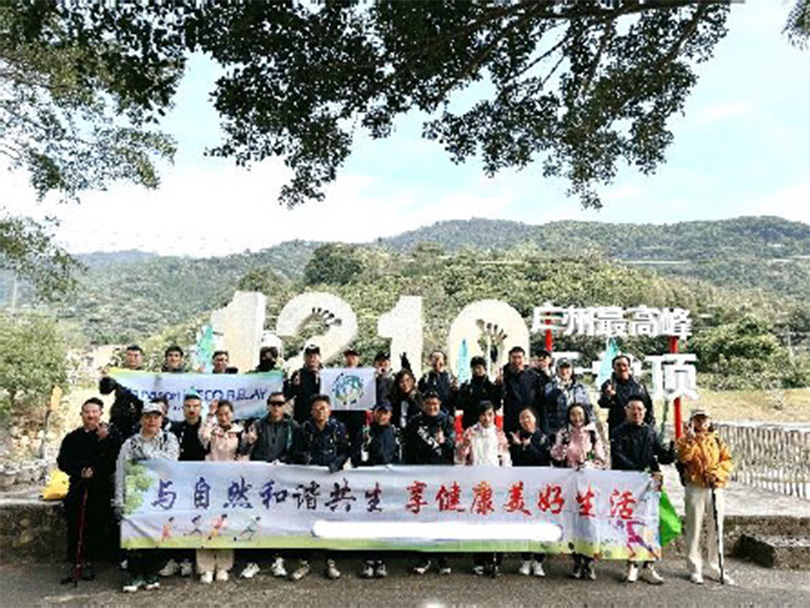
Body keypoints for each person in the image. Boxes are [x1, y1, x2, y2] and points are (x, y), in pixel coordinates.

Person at [115, 401, 180, 592]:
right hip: (135, 495)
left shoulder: (169, 439)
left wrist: (145, 457)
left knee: (156, 535)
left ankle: (152, 573)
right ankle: (135, 575)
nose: (152, 421)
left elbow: (171, 462)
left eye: (156, 417)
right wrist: (119, 499)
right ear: (141, 419)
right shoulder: (130, 443)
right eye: (148, 417)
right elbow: (121, 470)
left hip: (160, 494)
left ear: (162, 420)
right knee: (134, 536)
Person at [610, 397, 674, 584]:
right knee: (630, 525)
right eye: (633, 409)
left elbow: (662, 456)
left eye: (640, 409)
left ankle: (649, 565)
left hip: (649, 485)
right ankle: (631, 564)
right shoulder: (617, 432)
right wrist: (639, 472)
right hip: (628, 485)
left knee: (650, 524)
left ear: (645, 412)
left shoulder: (650, 432)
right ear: (626, 410)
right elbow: (618, 456)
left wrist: (672, 448)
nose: (636, 412)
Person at [289, 395, 350, 581]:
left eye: (323, 408)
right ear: (311, 411)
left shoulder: (338, 428)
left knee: (330, 520)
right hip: (310, 482)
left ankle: (331, 561)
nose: (320, 412)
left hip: (331, 481)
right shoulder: (303, 429)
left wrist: (337, 463)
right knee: (307, 520)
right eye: (316, 409)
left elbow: (346, 451)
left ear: (329, 410)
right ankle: (304, 562)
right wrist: (302, 457)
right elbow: (293, 452)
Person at [238, 392, 298, 580]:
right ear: (267, 405)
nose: (276, 407)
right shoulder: (257, 425)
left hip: (282, 478)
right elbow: (243, 451)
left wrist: (284, 460)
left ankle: (278, 559)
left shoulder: (292, 426)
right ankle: (253, 561)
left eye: (280, 403)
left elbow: (297, 451)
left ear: (285, 405)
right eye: (273, 403)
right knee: (256, 518)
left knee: (279, 519)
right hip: (260, 479)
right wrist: (249, 442)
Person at [56, 397, 115, 583]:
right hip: (78, 487)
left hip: (100, 488)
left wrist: (106, 441)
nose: (91, 416)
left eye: (94, 412)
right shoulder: (72, 437)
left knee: (96, 525)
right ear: (81, 414)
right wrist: (80, 471)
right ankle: (75, 561)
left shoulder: (110, 435)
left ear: (101, 414)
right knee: (75, 525)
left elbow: (113, 460)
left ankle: (90, 561)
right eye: (87, 412)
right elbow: (63, 461)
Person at [676, 407, 735, 586]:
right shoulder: (684, 440)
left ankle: (717, 566)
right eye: (698, 419)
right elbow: (683, 458)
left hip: (715, 487)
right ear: (692, 421)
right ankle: (695, 567)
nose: (702, 422)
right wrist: (691, 440)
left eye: (704, 419)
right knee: (694, 527)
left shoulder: (717, 440)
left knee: (716, 527)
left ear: (710, 421)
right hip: (695, 487)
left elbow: (727, 460)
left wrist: (717, 473)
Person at [550, 403, 606, 581]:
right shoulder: (563, 433)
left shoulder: (593, 433)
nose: (577, 418)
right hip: (570, 484)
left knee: (589, 522)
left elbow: (601, 459)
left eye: (580, 414)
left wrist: (588, 466)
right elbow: (556, 456)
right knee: (573, 522)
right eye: (573, 414)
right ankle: (576, 561)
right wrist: (563, 446)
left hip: (589, 484)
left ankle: (588, 561)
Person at [403, 390, 455, 575]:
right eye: (428, 404)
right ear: (423, 404)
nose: (432, 407)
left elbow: (454, 446)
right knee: (422, 517)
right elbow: (407, 448)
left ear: (439, 404)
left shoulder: (447, 421)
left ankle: (443, 558)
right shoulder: (414, 422)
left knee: (442, 516)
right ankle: (423, 557)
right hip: (420, 474)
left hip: (442, 474)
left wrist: (445, 441)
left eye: (435, 404)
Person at [456, 401, 510, 577]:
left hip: (495, 483)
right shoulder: (470, 433)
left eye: (490, 414)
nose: (487, 418)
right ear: (478, 416)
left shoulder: (499, 434)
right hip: (476, 483)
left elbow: (506, 459)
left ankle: (496, 560)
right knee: (477, 522)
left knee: (496, 522)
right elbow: (460, 458)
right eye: (483, 415)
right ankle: (479, 560)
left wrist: (505, 479)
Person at [196, 400, 244, 583]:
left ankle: (223, 566)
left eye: (226, 413)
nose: (223, 417)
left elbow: (244, 456)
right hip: (211, 481)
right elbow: (202, 437)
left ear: (232, 413)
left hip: (231, 484)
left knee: (226, 524)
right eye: (220, 414)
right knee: (207, 523)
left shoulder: (240, 432)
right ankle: (205, 567)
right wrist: (209, 415)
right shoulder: (212, 430)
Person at [160, 393, 208, 578]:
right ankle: (174, 558)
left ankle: (189, 559)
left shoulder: (207, 428)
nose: (191, 409)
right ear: (182, 408)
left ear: (200, 408)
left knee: (195, 521)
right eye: (188, 406)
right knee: (176, 520)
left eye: (195, 406)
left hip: (202, 483)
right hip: (178, 481)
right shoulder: (175, 429)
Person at [352, 401, 401, 579]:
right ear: (373, 413)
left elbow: (401, 457)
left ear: (390, 414)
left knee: (384, 522)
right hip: (368, 483)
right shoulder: (365, 432)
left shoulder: (396, 432)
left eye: (385, 413)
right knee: (367, 521)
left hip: (388, 484)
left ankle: (381, 560)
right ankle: (368, 559)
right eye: (379, 412)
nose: (382, 416)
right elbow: (355, 455)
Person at [508, 407, 551, 577]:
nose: (525, 421)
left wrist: (529, 446)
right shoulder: (517, 437)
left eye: (528, 417)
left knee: (541, 524)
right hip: (522, 487)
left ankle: (538, 561)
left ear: (535, 419)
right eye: (522, 418)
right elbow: (514, 462)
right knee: (523, 522)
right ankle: (525, 559)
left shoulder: (543, 438)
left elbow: (544, 460)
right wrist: (518, 446)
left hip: (540, 487)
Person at [598, 355, 654, 435]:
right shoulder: (609, 385)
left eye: (624, 365)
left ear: (629, 367)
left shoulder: (638, 385)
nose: (622, 368)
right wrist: (608, 396)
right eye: (618, 365)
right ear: (614, 368)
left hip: (638, 425)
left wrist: (651, 425)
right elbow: (603, 404)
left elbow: (648, 405)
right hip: (618, 426)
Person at [99, 344, 144, 442]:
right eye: (129, 355)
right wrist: (105, 378)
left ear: (141, 358)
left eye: (135, 356)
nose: (132, 358)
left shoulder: (148, 377)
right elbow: (105, 391)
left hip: (140, 420)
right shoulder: (118, 375)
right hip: (119, 419)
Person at [542, 358, 592, 441]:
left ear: (572, 370)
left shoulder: (581, 388)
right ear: (557, 371)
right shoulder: (549, 387)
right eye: (561, 368)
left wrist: (591, 427)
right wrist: (560, 388)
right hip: (557, 430)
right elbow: (548, 403)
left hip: (578, 430)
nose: (564, 371)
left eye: (567, 368)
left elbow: (588, 409)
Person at [498, 346, 542, 434]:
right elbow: (499, 398)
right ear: (509, 359)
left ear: (524, 359)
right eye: (514, 358)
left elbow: (539, 399)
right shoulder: (504, 376)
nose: (517, 361)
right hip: (511, 420)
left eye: (519, 357)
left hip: (529, 420)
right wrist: (499, 386)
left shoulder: (533, 376)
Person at [457, 356, 502, 430]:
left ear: (485, 369)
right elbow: (459, 405)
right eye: (474, 368)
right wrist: (455, 392)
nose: (476, 370)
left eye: (479, 368)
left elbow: (497, 404)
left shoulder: (491, 387)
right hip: (470, 423)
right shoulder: (466, 386)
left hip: (487, 424)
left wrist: (500, 387)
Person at [285, 344, 322, 424]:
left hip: (321, 416)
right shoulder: (298, 374)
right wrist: (294, 386)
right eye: (309, 356)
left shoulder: (325, 374)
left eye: (315, 356)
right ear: (304, 358)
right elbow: (288, 396)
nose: (312, 358)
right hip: (302, 417)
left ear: (319, 357)